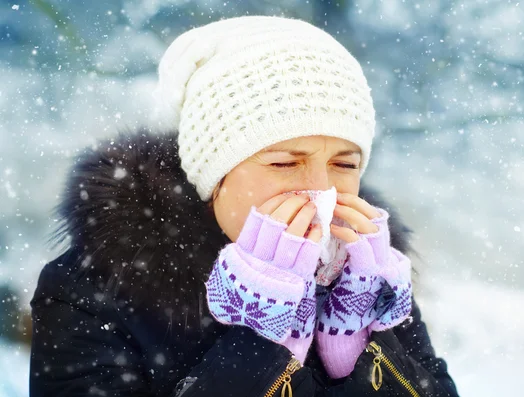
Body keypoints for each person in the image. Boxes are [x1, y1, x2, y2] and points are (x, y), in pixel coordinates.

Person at [29, 15, 459, 397]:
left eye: (343, 163)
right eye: (284, 162)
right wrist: (261, 336)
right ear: (214, 175)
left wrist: (357, 342)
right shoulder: (91, 291)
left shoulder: (365, 277)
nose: (319, 189)